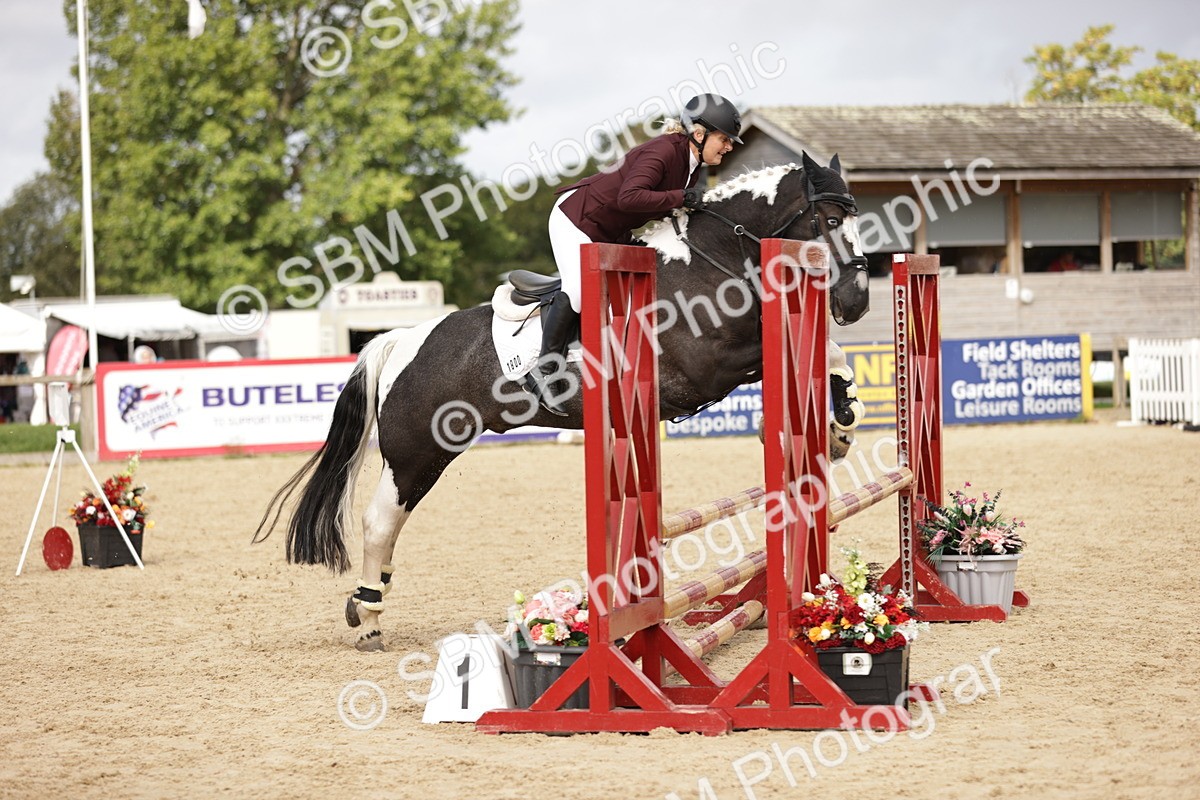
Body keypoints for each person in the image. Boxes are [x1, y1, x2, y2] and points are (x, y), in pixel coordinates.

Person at [524, 93, 743, 416]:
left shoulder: (691, 167)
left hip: (612, 231)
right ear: (699, 134)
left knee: (655, 273)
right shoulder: (663, 151)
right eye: (724, 139)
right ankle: (544, 369)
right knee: (580, 291)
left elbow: (665, 205)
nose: (729, 147)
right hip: (577, 219)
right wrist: (681, 197)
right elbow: (630, 198)